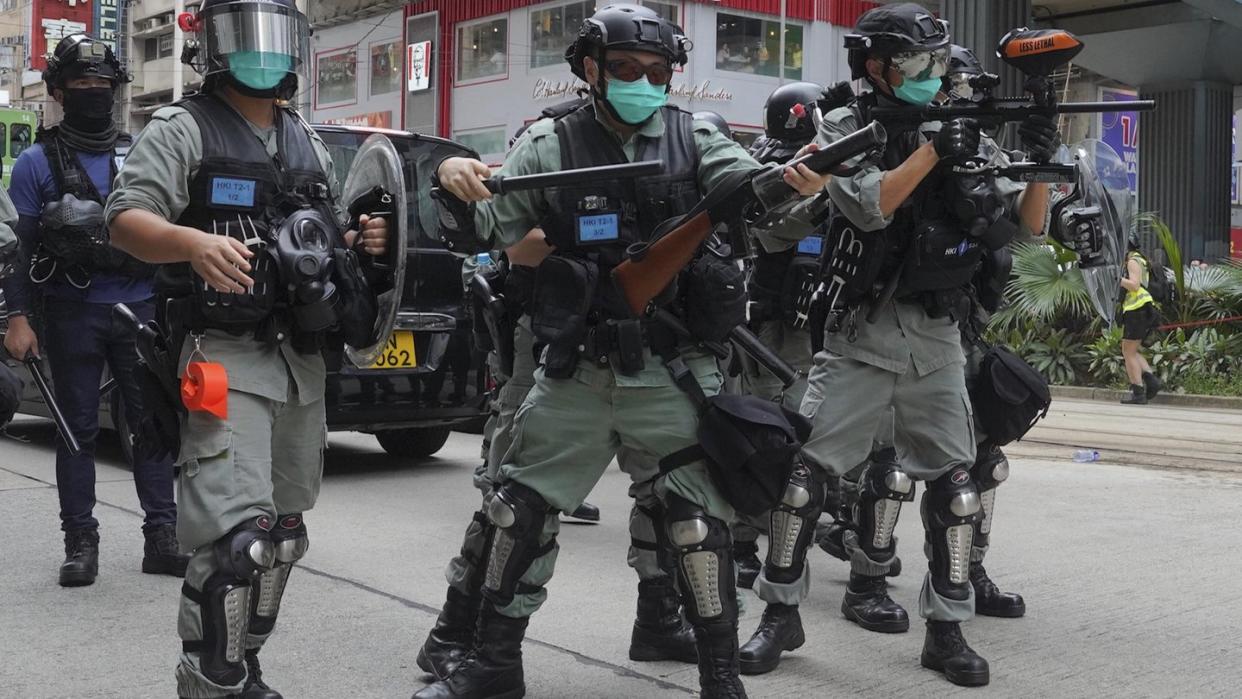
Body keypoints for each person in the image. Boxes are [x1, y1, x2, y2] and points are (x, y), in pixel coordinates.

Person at [417, 5, 829, 697]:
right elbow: (486, 224)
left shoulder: (695, 137)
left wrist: (797, 184)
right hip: (577, 366)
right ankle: (492, 665)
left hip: (673, 370)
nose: (643, 81)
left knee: (698, 527)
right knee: (517, 510)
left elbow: (754, 194)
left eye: (657, 71)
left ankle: (721, 677)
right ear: (590, 69)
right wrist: (454, 180)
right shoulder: (550, 144)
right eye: (626, 70)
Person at [758, 4, 1055, 686]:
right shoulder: (845, 128)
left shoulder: (964, 132)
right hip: (860, 334)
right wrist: (933, 146)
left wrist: (1042, 155)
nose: (933, 76)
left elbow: (1027, 228)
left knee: (956, 487)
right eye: (919, 65)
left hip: (937, 337)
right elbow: (870, 205)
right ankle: (778, 615)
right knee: (804, 482)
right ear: (877, 67)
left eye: (938, 64)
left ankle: (946, 631)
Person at [104, 1, 389, 696]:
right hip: (222, 354)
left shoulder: (305, 140)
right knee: (241, 539)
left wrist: (359, 241)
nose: (265, 54)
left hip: (300, 361)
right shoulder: (183, 128)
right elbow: (125, 220)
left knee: (283, 536)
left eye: (277, 39)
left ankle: (243, 660)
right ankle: (211, 675)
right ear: (215, 46)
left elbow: (316, 235)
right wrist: (192, 242)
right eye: (247, 38)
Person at [0, 34, 187, 588]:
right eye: (81, 85)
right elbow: (19, 248)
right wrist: (18, 318)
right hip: (69, 308)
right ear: (58, 91)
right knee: (75, 429)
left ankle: (162, 537)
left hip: (142, 305)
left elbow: (175, 230)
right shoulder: (34, 163)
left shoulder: (143, 154)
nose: (93, 93)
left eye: (103, 85)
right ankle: (80, 542)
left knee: (153, 422)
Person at [1119, 232, 1161, 404]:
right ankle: (1151, 380)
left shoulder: (1133, 261)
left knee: (1127, 351)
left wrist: (1116, 279)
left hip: (1136, 309)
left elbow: (1134, 285)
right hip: (1141, 309)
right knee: (1132, 350)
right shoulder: (1139, 259)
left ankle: (1138, 392)